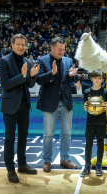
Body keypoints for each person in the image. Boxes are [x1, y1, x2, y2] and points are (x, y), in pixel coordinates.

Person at [0, 34, 40, 183]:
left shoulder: (27, 61)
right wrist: (22, 75)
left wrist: (32, 76)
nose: (21, 47)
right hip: (10, 106)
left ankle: (22, 164)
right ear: (12, 45)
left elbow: (29, 85)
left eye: (23, 44)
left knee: (23, 137)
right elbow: (5, 84)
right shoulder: (4, 61)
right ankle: (10, 169)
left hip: (24, 105)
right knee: (9, 139)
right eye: (18, 44)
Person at [35, 37, 79, 172]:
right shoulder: (41, 61)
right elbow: (38, 79)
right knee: (48, 134)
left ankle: (64, 159)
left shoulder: (68, 60)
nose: (62, 52)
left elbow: (73, 80)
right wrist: (51, 73)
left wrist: (73, 76)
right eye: (59, 50)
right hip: (49, 103)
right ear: (51, 48)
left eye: (63, 49)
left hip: (66, 102)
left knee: (66, 133)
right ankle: (47, 160)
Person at [80, 69, 107, 177]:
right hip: (90, 122)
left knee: (100, 144)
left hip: (101, 122)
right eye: (95, 78)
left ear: (102, 80)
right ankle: (87, 165)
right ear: (91, 78)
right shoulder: (87, 92)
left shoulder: (106, 92)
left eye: (99, 78)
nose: (97, 80)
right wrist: (85, 107)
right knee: (88, 144)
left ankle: (99, 165)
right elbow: (85, 107)